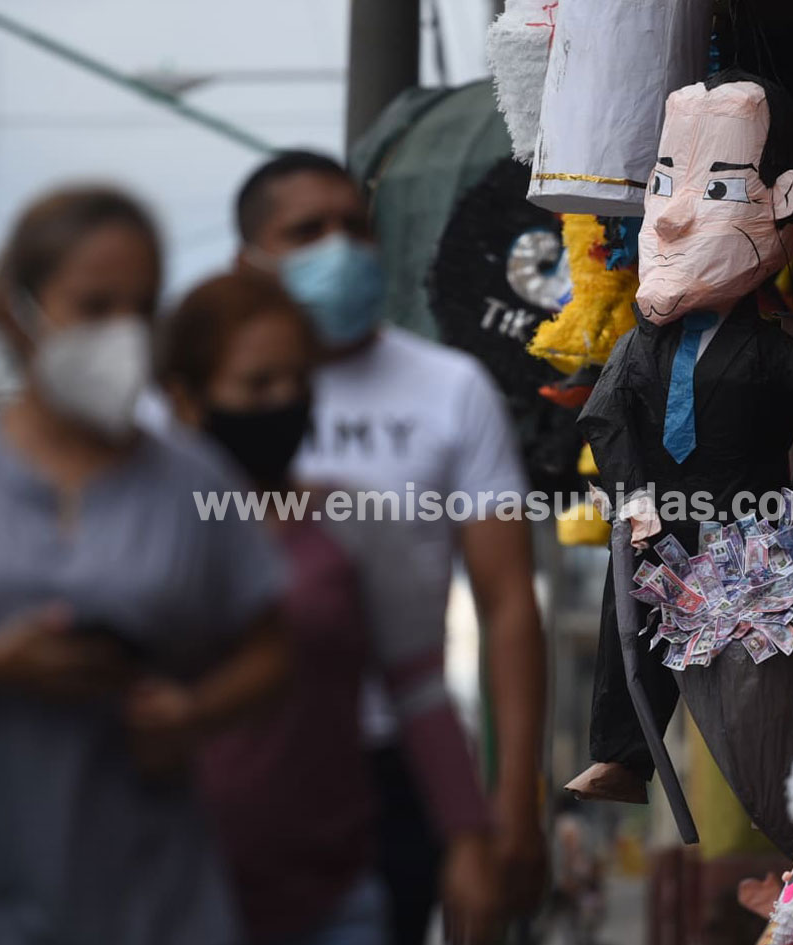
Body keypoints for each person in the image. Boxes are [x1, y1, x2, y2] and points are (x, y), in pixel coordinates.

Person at [0, 186, 289, 945]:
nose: (122, 335)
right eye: (93, 306)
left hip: (143, 890)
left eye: (140, 308)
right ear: (18, 310)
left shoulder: (194, 479)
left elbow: (272, 643)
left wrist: (194, 715)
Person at [232, 151, 548, 944]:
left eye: (355, 229)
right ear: (251, 260)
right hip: (227, 755)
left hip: (393, 762)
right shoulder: (199, 396)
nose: (339, 249)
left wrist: (511, 803)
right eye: (307, 231)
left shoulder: (450, 390)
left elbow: (507, 603)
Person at [570, 71, 793, 857]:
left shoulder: (766, 348)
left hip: (746, 538)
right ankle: (623, 754)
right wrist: (633, 496)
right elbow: (603, 413)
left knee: (759, 679)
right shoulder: (641, 345)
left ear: (781, 198)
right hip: (659, 521)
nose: (672, 216)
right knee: (628, 626)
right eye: (664, 186)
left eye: (715, 188)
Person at [157, 270, 502, 945]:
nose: (285, 402)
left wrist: (469, 840)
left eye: (297, 382)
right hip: (167, 886)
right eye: (258, 385)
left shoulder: (354, 522)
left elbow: (421, 690)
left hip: (333, 888)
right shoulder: (141, 525)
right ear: (188, 400)